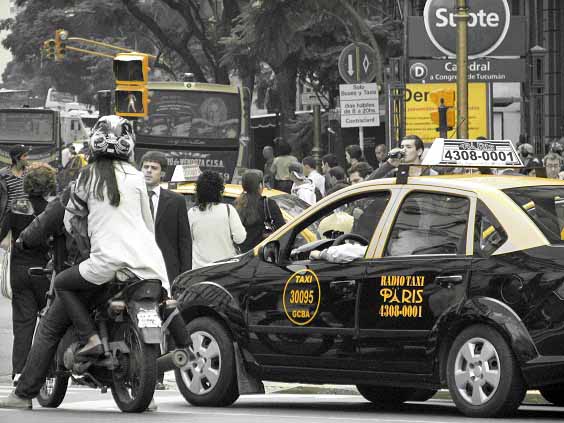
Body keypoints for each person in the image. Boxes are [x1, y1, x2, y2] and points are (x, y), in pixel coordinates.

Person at [54, 115, 169, 358]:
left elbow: (69, 222)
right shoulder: (138, 177)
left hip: (104, 264)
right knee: (168, 303)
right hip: (148, 264)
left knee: (62, 283)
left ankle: (91, 337)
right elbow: (149, 225)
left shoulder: (86, 176)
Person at [9, 163, 56, 385]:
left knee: (23, 323)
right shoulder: (53, 208)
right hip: (46, 272)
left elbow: (2, 233)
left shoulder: (17, 205)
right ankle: (47, 370)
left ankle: (19, 372)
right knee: (50, 323)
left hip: (19, 271)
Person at [141, 151, 191, 281]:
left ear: (162, 173)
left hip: (168, 269)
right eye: (145, 167)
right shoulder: (131, 198)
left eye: (154, 168)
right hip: (138, 267)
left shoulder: (176, 200)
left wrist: (185, 276)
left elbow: (184, 241)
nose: (148, 171)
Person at [188, 170, 246, 269]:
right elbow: (240, 238)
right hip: (225, 269)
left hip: (199, 270)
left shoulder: (192, 213)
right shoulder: (228, 210)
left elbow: (187, 241)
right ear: (220, 190)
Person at [234, 170, 284, 252]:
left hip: (241, 253)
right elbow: (282, 229)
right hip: (260, 253)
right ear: (260, 185)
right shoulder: (268, 204)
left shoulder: (237, 203)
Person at [367, 135, 437, 180]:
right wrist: (389, 164)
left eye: (408, 147)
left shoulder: (431, 174)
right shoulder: (396, 173)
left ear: (419, 151)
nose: (403, 150)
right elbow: (367, 183)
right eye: (402, 147)